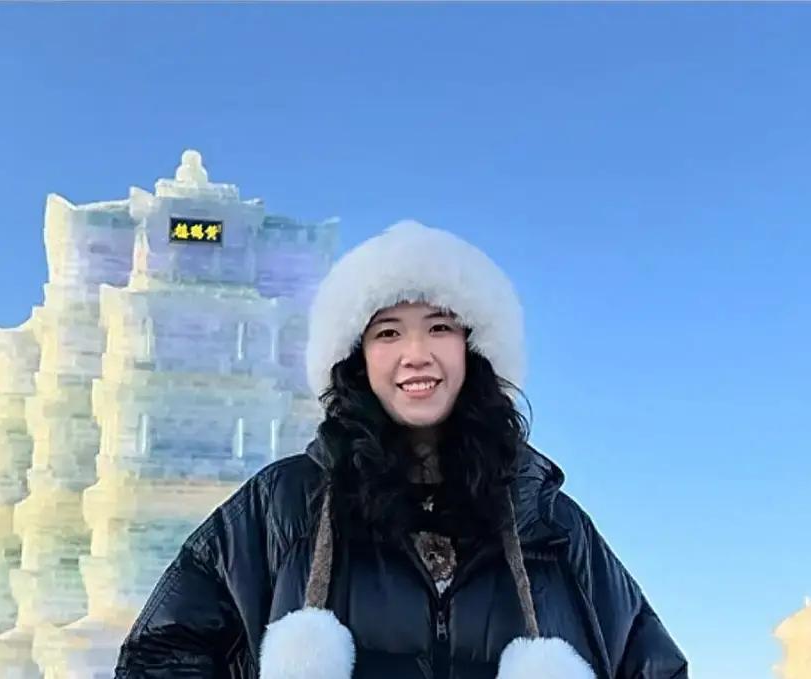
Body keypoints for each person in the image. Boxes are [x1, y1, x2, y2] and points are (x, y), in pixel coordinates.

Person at [114, 220, 688, 679]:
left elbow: (652, 664)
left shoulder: (548, 522)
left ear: (472, 348)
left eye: (440, 327)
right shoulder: (282, 506)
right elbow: (160, 654)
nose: (416, 354)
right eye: (388, 332)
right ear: (357, 356)